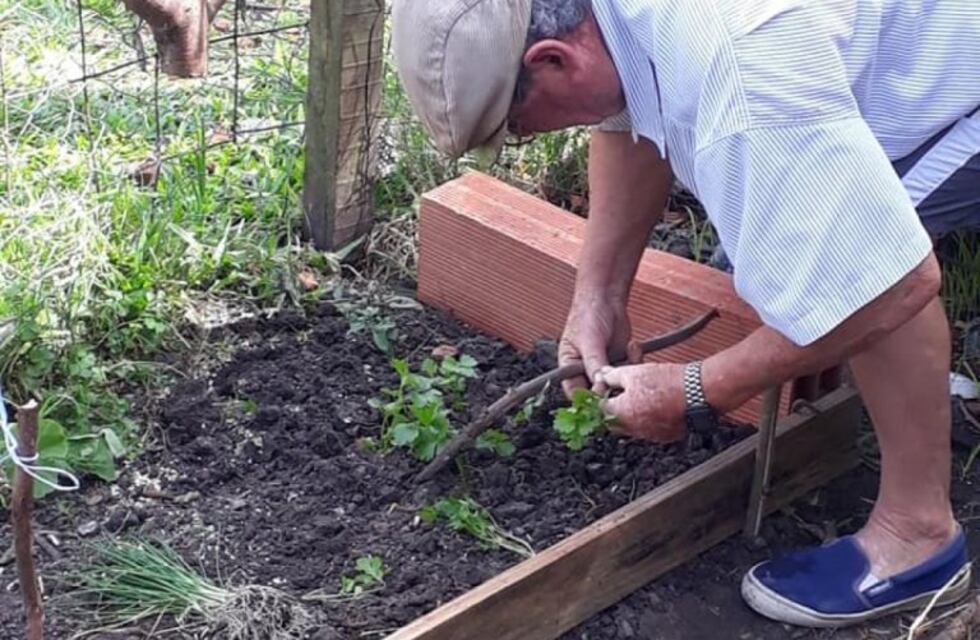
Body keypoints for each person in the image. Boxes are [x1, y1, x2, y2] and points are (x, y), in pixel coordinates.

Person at [391, 0, 979, 627]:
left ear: (553, 58)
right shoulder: (618, 23)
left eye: (521, 128)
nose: (531, 138)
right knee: (774, 246)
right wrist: (598, 297)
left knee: (837, 260)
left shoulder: (741, 73)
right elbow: (633, 110)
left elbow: (887, 286)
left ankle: (917, 535)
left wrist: (695, 389)